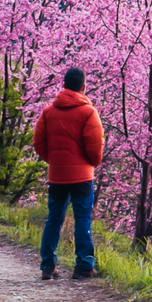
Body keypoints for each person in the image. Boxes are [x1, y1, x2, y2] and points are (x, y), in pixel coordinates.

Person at [32, 66, 105, 280]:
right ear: (83, 86)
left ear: (63, 85)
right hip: (82, 176)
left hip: (57, 175)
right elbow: (95, 145)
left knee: (54, 218)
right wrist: (92, 163)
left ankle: (48, 265)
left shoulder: (48, 112)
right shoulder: (89, 112)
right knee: (82, 218)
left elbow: (38, 143)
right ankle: (83, 265)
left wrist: (55, 160)